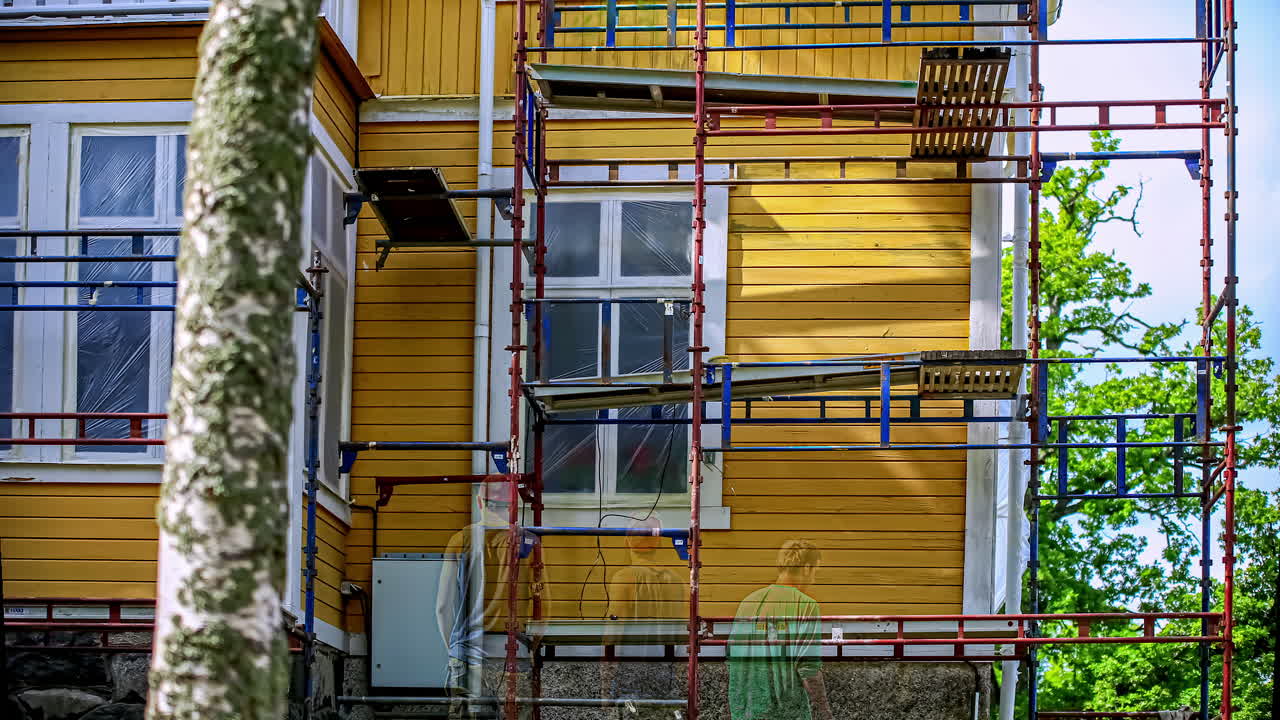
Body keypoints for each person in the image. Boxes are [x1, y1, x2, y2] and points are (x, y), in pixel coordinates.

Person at [435, 481, 545, 719]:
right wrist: (532, 647)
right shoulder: (529, 543)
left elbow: (442, 607)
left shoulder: (460, 539)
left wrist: (453, 650)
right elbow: (542, 608)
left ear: (479, 502)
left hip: (467, 651)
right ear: (513, 506)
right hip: (514, 651)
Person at [727, 539, 835, 720]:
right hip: (786, 712)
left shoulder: (748, 601)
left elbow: (732, 656)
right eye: (815, 571)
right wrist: (825, 713)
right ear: (807, 568)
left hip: (746, 710)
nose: (814, 579)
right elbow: (808, 668)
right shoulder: (806, 605)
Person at [600, 516, 684, 719]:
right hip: (666, 673)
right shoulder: (676, 581)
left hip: (632, 673)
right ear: (658, 541)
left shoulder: (624, 578)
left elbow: (613, 632)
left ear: (627, 540)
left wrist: (604, 686)